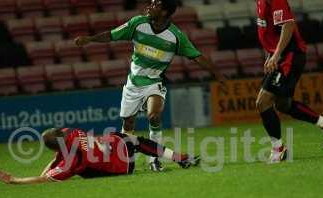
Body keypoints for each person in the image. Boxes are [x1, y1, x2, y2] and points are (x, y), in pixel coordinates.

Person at [74, 0, 223, 171]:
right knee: (128, 124)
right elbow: (112, 34)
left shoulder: (175, 36)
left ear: (165, 12)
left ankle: (154, 160)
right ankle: (125, 160)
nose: (149, 6)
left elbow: (196, 56)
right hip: (133, 83)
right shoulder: (138, 24)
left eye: (155, 4)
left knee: (154, 115)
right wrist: (90, 39)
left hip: (155, 82)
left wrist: (217, 74)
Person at [255, 0, 323, 163]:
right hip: (281, 56)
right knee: (283, 105)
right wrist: (270, 55)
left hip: (289, 56)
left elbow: (288, 25)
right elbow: (271, 31)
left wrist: (276, 54)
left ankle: (278, 149)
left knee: (262, 102)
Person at [0, 128, 200, 184]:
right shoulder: (70, 140)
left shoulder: (70, 158)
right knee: (139, 142)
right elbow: (46, 176)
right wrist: (17, 181)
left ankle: (181, 158)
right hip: (118, 159)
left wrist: (15, 180)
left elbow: (46, 175)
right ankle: (181, 158)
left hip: (116, 151)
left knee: (137, 141)